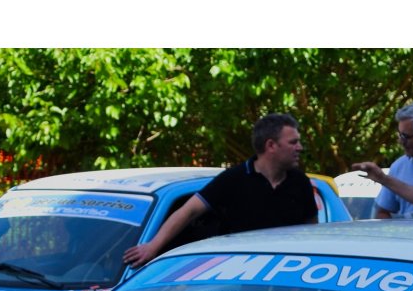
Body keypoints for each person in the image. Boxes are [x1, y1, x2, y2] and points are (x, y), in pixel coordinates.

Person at [123, 113, 316, 267]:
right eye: (293, 142)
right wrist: (152, 247)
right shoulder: (233, 179)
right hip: (242, 276)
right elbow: (188, 211)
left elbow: (313, 231)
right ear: (271, 145)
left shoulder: (301, 182)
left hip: (286, 275)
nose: (299, 147)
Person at [372, 102, 413, 220]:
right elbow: (382, 212)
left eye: (405, 136)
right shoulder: (399, 167)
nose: (400, 141)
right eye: (399, 136)